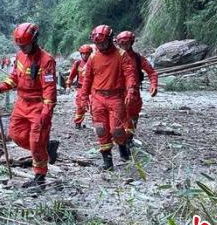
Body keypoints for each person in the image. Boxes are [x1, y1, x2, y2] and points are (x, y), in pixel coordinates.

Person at [0, 23, 59, 190]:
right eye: (20, 45)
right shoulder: (20, 56)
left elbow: (50, 90)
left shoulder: (46, 61)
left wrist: (46, 111)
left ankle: (40, 177)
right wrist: (0, 87)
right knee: (16, 135)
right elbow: (14, 78)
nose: (23, 48)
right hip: (21, 103)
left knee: (36, 141)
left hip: (38, 105)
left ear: (35, 40)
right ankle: (47, 147)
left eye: (25, 45)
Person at [78, 25, 137, 171]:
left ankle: (122, 146)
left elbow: (130, 75)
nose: (100, 46)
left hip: (115, 97)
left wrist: (131, 90)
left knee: (117, 130)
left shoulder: (122, 55)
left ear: (110, 40)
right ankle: (107, 161)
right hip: (98, 98)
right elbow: (87, 79)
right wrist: (83, 96)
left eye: (103, 43)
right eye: (97, 44)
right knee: (101, 129)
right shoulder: (93, 57)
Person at [114, 31, 158, 133]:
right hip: (117, 91)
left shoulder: (138, 58)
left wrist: (154, 85)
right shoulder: (114, 58)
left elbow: (151, 72)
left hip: (134, 91)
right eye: (122, 44)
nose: (124, 46)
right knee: (116, 115)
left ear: (132, 43)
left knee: (133, 114)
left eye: (126, 44)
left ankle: (129, 137)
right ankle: (118, 138)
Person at [67, 45, 93, 129]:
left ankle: (99, 125)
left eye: (87, 54)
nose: (85, 55)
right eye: (83, 54)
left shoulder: (94, 62)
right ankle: (78, 123)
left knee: (94, 107)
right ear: (81, 54)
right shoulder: (77, 63)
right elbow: (72, 75)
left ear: (90, 54)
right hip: (81, 88)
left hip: (92, 88)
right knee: (80, 106)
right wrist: (68, 85)